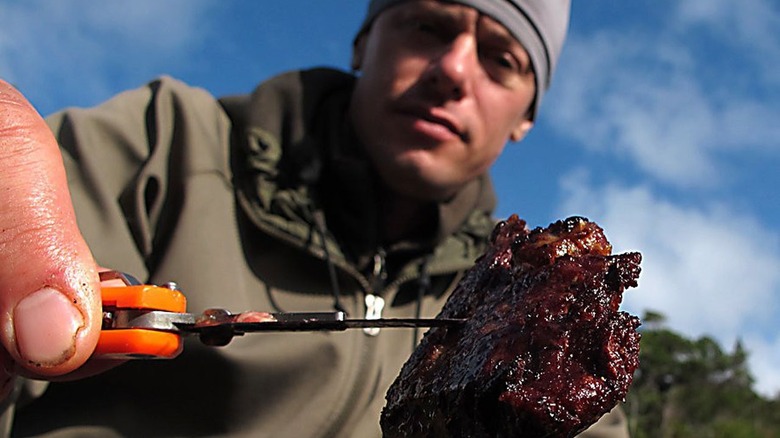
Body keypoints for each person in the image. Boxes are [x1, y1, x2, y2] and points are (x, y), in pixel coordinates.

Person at [0, 0, 630, 436]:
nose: (454, 70)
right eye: (427, 26)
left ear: (527, 117)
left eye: (501, 60)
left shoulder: (558, 317)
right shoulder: (161, 145)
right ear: (363, 42)